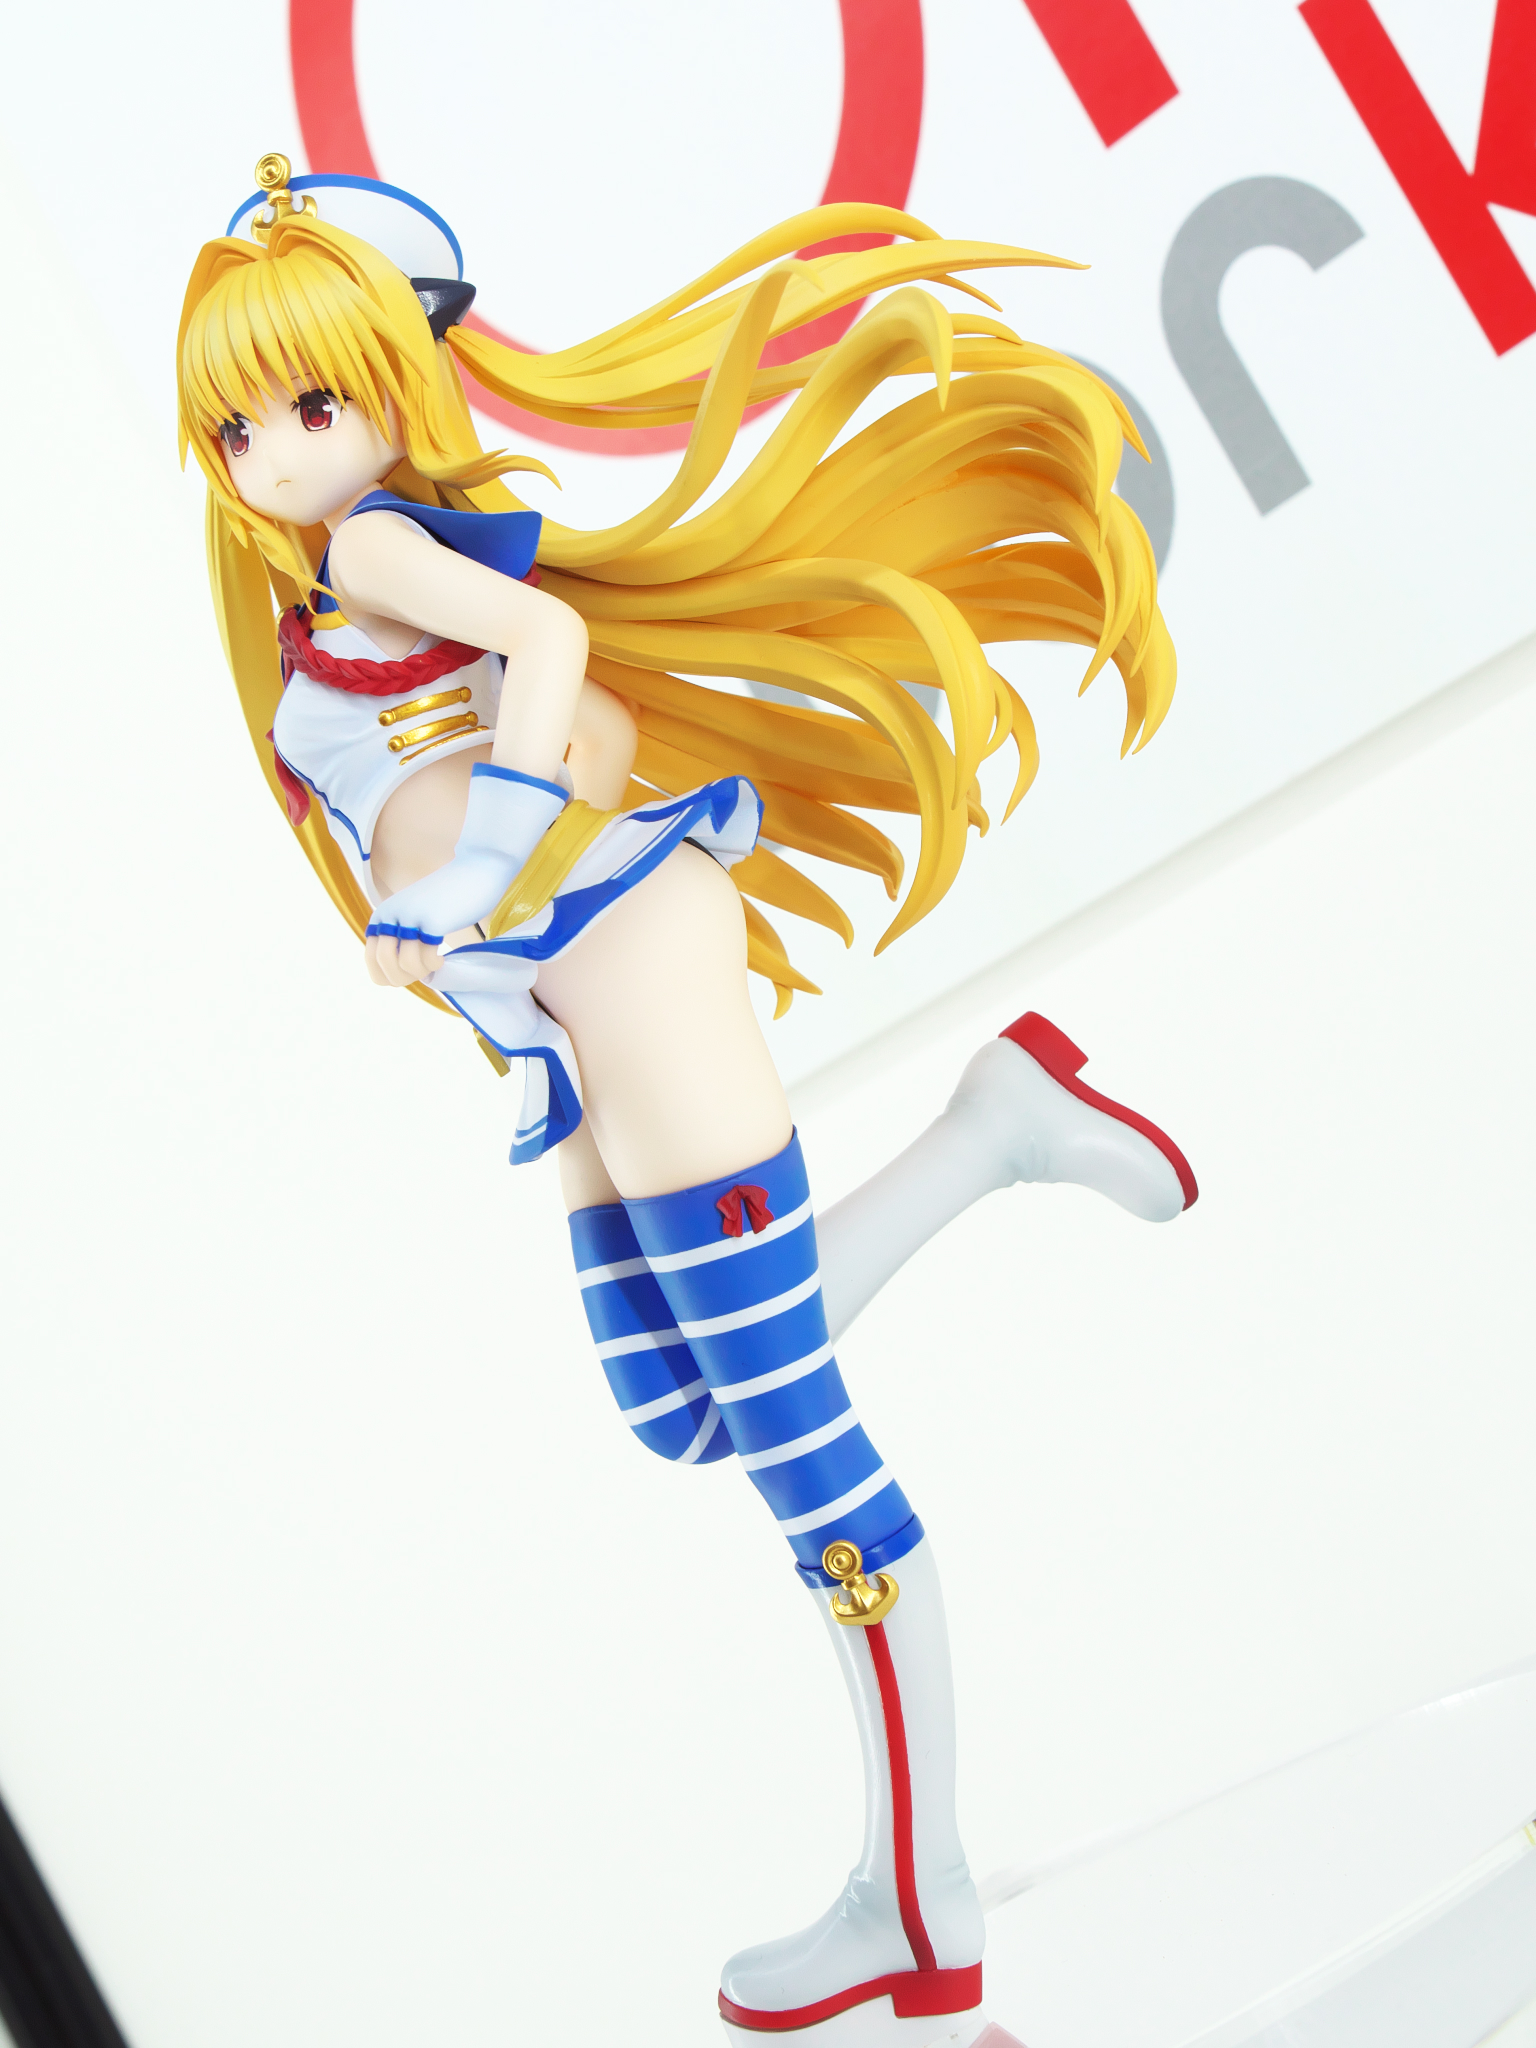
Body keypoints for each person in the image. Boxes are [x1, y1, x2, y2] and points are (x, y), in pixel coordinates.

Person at [180, 155, 1195, 2044]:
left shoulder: (381, 549)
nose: (271, 450)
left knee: (804, 1447)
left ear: (389, 386)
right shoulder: (330, 598)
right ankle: (997, 1126)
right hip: (571, 1031)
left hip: (627, 966)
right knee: (682, 1413)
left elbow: (560, 665)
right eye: (237, 424)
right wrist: (471, 952)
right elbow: (576, 719)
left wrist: (472, 882)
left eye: (308, 403)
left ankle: (919, 1896)